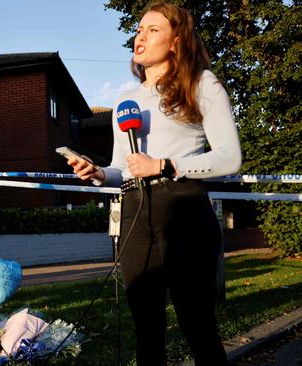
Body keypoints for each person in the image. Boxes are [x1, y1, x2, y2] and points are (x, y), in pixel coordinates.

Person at [68, 2, 241, 365]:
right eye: (139, 29)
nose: (140, 36)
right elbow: (122, 167)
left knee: (197, 325)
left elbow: (229, 158)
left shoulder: (201, 83)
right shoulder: (124, 101)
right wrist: (99, 173)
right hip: (134, 212)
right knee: (146, 330)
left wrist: (164, 164)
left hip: (183, 208)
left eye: (153, 29)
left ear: (177, 41)